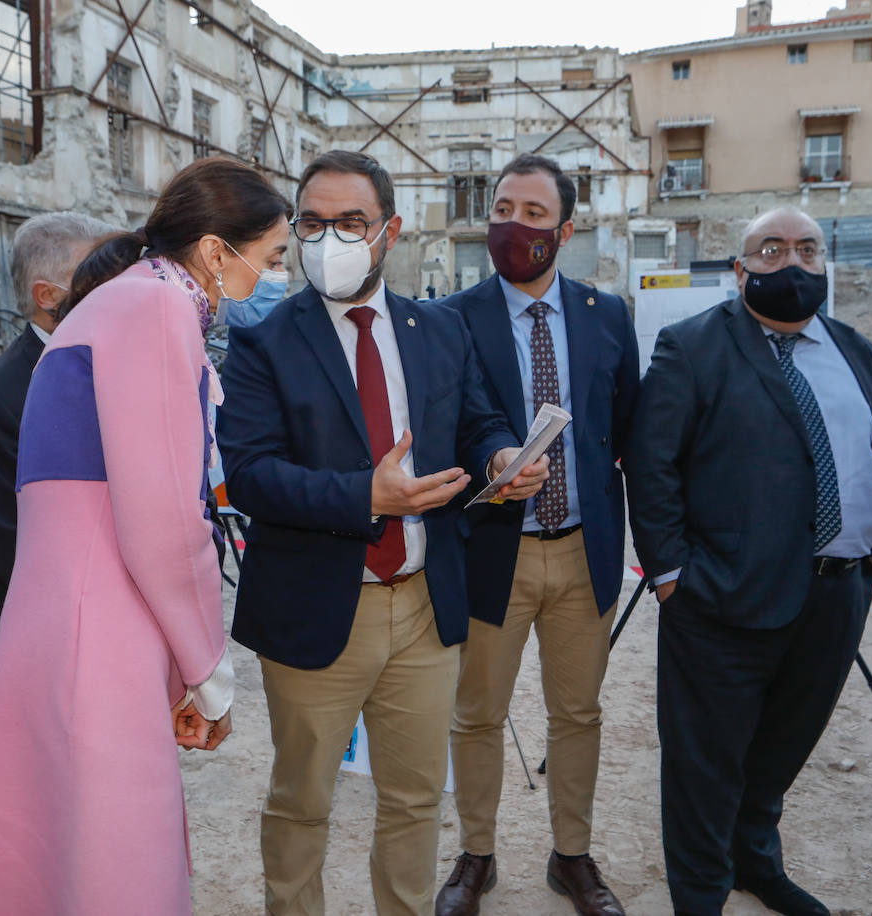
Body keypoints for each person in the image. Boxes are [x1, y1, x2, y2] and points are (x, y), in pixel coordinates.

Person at [0, 158, 292, 915]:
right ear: (213, 251)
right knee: (113, 864)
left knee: (51, 857)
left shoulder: (116, 304)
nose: (268, 279)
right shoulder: (153, 308)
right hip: (98, 630)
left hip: (64, 622)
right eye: (269, 259)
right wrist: (208, 672)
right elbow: (165, 519)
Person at [217, 150, 547, 916]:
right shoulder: (265, 341)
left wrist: (500, 452)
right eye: (313, 222)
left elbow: (475, 421)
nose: (328, 238)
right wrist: (365, 495)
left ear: (389, 231)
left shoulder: (438, 329)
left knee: (415, 798)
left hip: (425, 609)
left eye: (351, 222)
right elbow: (251, 473)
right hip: (317, 606)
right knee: (302, 801)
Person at [624, 207, 872, 916]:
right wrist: (669, 577)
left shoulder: (860, 354)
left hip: (835, 596)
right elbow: (653, 467)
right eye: (771, 250)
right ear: (741, 269)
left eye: (807, 249)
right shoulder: (691, 348)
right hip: (718, 597)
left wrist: (871, 560)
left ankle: (756, 860)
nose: (791, 263)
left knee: (783, 748)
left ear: (825, 264)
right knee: (705, 764)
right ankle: (699, 893)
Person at [436, 154, 637, 916]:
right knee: (478, 712)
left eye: (532, 213)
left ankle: (572, 856)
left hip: (585, 552)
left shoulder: (606, 315)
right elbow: (450, 421)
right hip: (496, 553)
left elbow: (626, 433)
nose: (514, 225)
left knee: (579, 714)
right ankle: (476, 855)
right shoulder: (454, 317)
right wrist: (489, 454)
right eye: (503, 208)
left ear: (565, 230)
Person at [0, 210, 116, 721]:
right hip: (42, 646)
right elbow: (14, 549)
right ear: (48, 296)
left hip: (117, 635)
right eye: (99, 278)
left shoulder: (117, 365)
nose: (117, 290)